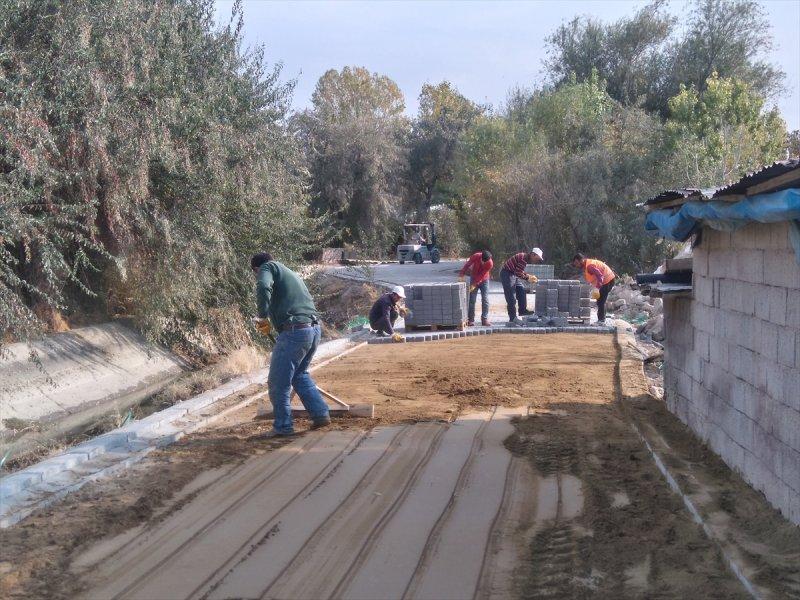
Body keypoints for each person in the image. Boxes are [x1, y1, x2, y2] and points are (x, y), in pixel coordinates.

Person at [251, 252, 330, 437]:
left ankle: (283, 426)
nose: (258, 275)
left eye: (255, 273)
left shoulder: (267, 267)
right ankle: (320, 414)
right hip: (313, 329)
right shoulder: (289, 272)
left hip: (295, 331)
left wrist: (262, 315)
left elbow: (263, 285)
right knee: (300, 375)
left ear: (256, 268)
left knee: (278, 382)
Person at [500, 248, 543, 324]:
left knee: (521, 290)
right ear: (533, 255)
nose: (536, 261)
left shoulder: (525, 258)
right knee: (511, 297)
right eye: (537, 259)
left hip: (513, 274)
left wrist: (528, 275)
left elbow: (519, 271)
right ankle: (512, 318)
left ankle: (522, 310)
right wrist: (528, 278)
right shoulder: (523, 259)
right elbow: (518, 273)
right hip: (507, 274)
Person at [572, 253, 616, 323]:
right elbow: (595, 278)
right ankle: (601, 319)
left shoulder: (589, 266)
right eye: (575, 264)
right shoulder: (587, 266)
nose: (576, 265)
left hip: (608, 280)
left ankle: (601, 320)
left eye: (577, 263)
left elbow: (600, 276)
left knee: (601, 301)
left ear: (582, 260)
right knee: (600, 301)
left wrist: (597, 288)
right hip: (606, 280)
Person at [459, 250, 494, 326]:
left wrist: (474, 284)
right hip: (473, 278)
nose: (484, 263)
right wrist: (462, 273)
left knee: (485, 299)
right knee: (472, 299)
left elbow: (482, 275)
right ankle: (471, 320)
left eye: (486, 262)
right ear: (481, 257)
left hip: (484, 280)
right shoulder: (476, 256)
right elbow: (467, 264)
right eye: (483, 261)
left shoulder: (490, 263)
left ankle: (484, 319)